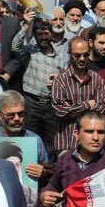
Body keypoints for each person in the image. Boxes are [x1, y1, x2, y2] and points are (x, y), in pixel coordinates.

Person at [12, 18, 68, 154]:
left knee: (51, 139)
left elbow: (66, 78)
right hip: (31, 102)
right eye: (39, 34)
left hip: (51, 104)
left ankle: (48, 165)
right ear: (35, 36)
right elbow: (15, 47)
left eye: (46, 33)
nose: (43, 37)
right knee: (29, 137)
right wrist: (26, 25)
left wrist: (59, 81)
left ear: (51, 34)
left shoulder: (59, 56)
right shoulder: (30, 51)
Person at [51, 37, 105, 153]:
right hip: (66, 142)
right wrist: (87, 105)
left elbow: (100, 110)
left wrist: (71, 108)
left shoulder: (97, 80)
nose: (82, 59)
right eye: (77, 55)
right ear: (69, 53)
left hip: (91, 143)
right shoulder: (60, 80)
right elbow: (60, 111)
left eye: (85, 55)